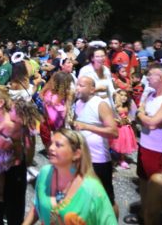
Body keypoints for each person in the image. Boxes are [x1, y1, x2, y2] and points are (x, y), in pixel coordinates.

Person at [23, 129, 117, 225]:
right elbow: (37, 206)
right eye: (51, 143)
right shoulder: (45, 173)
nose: (51, 148)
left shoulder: (92, 189)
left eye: (58, 145)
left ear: (76, 154)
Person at [127, 64, 162, 224]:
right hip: (145, 146)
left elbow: (152, 123)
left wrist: (140, 113)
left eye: (151, 75)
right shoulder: (151, 94)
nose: (147, 77)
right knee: (144, 182)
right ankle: (145, 217)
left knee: (157, 189)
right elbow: (143, 115)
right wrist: (142, 114)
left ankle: (156, 219)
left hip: (160, 151)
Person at [73, 76, 119, 217]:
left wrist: (87, 126)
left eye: (81, 85)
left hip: (99, 159)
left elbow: (113, 132)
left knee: (106, 198)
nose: (77, 88)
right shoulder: (78, 103)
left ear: (92, 89)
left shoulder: (100, 104)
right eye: (77, 85)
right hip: (82, 158)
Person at [111, 89, 138, 169]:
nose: (123, 97)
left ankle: (121, 159)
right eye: (121, 95)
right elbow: (111, 116)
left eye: (125, 95)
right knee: (114, 143)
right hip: (117, 127)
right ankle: (113, 158)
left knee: (123, 143)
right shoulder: (115, 106)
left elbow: (129, 116)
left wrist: (128, 120)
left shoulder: (127, 106)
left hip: (125, 128)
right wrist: (117, 120)